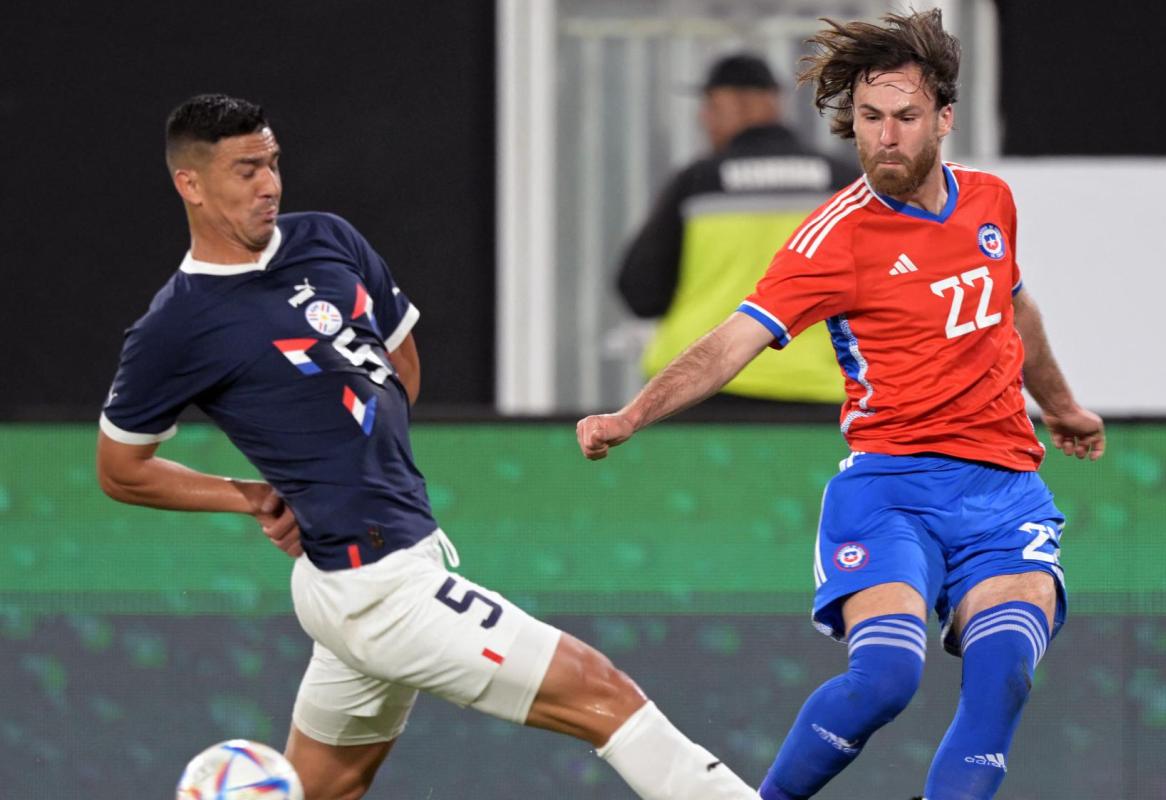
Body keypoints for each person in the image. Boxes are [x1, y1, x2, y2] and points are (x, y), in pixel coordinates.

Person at [96, 93, 759, 800]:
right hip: (373, 588)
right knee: (601, 693)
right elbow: (122, 469)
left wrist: (348, 473)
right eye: (245, 170)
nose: (270, 185)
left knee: (328, 786)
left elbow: (398, 367)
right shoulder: (178, 325)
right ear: (190, 184)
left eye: (273, 163)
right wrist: (254, 497)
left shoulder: (326, 238)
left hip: (377, 562)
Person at [578, 10, 1105, 800]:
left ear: (943, 119)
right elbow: (731, 342)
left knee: (1002, 674)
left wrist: (1059, 406)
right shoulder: (832, 239)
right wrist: (629, 415)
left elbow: (1014, 309)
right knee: (885, 679)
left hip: (1001, 491)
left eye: (904, 117)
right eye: (868, 118)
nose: (884, 137)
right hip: (889, 490)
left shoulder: (990, 201)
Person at [617, 53, 859, 412]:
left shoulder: (698, 182)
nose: (704, 118)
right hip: (817, 390)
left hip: (705, 387)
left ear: (742, 102)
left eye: (711, 106)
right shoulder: (844, 183)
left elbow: (641, 293)